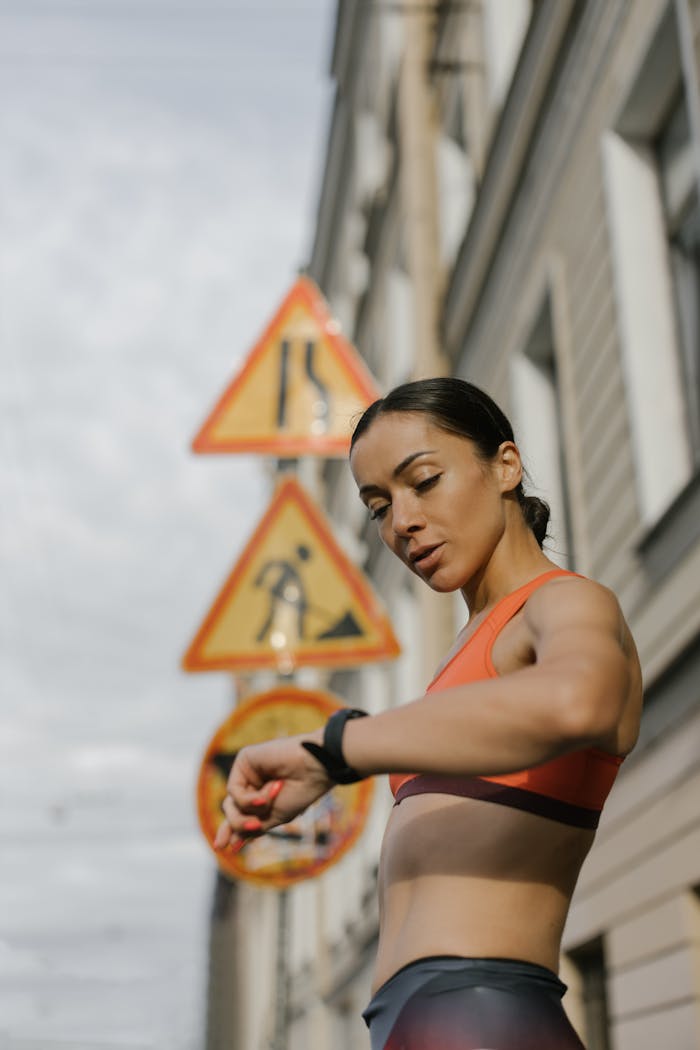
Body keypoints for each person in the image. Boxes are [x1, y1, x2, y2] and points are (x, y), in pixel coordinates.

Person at [215, 377, 643, 1049]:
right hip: (422, 1016)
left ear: (505, 466)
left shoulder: (565, 604)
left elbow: (577, 698)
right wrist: (333, 762)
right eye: (378, 505)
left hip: (479, 1009)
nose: (402, 522)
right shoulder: (465, 651)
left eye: (424, 481)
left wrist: (337, 748)